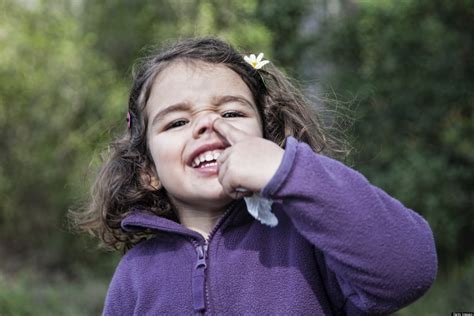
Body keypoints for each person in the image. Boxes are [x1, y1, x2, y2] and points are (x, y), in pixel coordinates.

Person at [74, 37, 437, 315]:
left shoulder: (310, 239)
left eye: (231, 113)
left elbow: (409, 270)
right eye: (178, 121)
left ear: (268, 139)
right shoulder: (135, 276)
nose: (208, 124)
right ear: (148, 171)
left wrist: (290, 172)